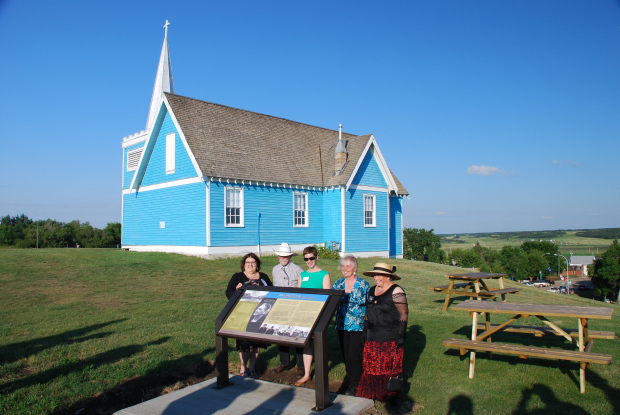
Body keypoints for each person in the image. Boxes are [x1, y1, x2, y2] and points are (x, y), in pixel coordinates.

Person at [357, 263, 408, 401]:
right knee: (370, 368)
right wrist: (364, 330)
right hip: (372, 336)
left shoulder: (396, 291)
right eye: (375, 274)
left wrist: (401, 336)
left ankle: (387, 395)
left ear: (388, 276)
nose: (376, 278)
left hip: (388, 337)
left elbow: (403, 314)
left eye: (379, 275)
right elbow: (368, 312)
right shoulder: (372, 290)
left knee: (385, 368)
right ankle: (371, 394)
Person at [225, 252, 272, 379]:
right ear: (243, 265)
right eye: (248, 263)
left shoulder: (263, 277)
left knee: (256, 343)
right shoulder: (237, 277)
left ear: (257, 265)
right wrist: (236, 290)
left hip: (260, 314)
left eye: (253, 262)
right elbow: (228, 293)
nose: (250, 265)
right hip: (243, 314)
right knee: (245, 343)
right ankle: (243, 367)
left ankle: (252, 367)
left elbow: (272, 292)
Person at [332, 254, 370, 395]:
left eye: (348, 266)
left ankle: (358, 385)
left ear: (355, 268)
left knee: (354, 356)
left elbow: (369, 306)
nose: (345, 268)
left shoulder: (363, 285)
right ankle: (351, 382)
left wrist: (368, 324)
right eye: (343, 266)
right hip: (342, 325)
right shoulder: (337, 284)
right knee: (346, 356)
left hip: (357, 326)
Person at [295, 246, 331, 386]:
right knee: (307, 344)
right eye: (306, 259)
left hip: (318, 313)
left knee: (319, 343)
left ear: (317, 258)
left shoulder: (324, 274)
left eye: (311, 258)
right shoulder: (302, 275)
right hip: (304, 313)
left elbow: (327, 296)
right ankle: (307, 374)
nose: (309, 261)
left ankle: (322, 374)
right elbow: (299, 295)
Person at [271, 242, 305, 376]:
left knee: (297, 335)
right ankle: (284, 361)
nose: (282, 258)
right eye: (280, 256)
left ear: (290, 256)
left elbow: (302, 288)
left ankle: (301, 365)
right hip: (280, 305)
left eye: (285, 256)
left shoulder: (298, 270)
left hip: (295, 305)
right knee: (281, 335)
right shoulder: (275, 269)